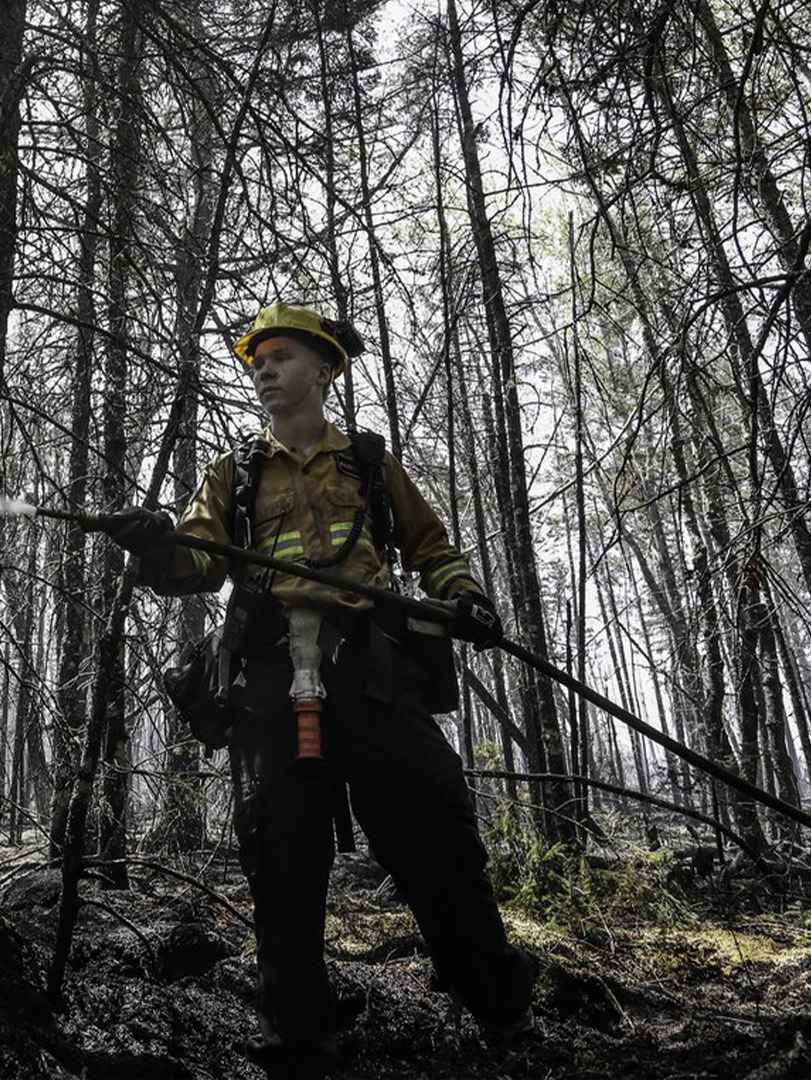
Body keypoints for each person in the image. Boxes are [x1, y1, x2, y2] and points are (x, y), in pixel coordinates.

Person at [104, 302, 535, 1075]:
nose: (263, 370)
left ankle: (499, 1007)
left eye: (280, 357)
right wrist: (153, 546)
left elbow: (431, 546)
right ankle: (299, 1035)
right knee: (281, 851)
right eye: (256, 362)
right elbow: (195, 563)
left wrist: (467, 597)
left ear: (325, 369)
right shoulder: (233, 473)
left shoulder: (369, 463)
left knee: (433, 832)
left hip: (372, 672)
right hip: (270, 682)